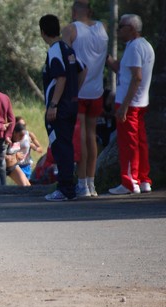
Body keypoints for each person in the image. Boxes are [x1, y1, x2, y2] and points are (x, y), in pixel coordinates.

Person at [62, 1, 108, 197]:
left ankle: (81, 183)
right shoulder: (102, 27)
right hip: (96, 89)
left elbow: (63, 57)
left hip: (78, 90)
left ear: (74, 11)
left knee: (80, 136)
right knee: (91, 135)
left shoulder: (71, 29)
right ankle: (91, 183)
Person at [39, 14, 86, 201]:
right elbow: (83, 70)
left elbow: (61, 77)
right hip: (70, 105)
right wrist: (74, 93)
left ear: (42, 32)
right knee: (64, 145)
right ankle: (68, 186)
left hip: (60, 108)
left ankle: (66, 189)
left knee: (61, 146)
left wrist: (54, 104)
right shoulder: (68, 48)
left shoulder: (55, 50)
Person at [106, 14, 155, 195]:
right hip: (141, 102)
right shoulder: (144, 46)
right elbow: (124, 70)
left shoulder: (134, 47)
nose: (118, 31)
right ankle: (143, 179)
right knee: (140, 142)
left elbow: (136, 76)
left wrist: (124, 106)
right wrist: (109, 60)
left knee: (128, 144)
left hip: (130, 103)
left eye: (121, 27)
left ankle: (129, 181)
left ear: (132, 28)